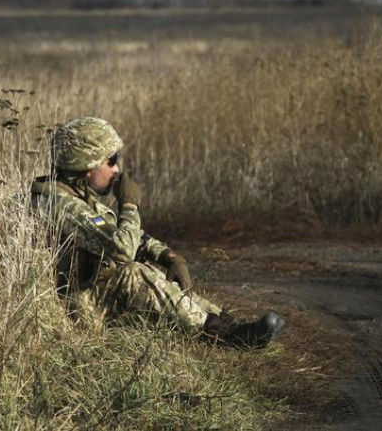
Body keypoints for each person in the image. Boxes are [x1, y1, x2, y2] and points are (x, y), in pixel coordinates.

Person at [29, 116, 286, 348]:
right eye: (111, 161)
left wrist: (167, 256)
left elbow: (119, 233)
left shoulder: (77, 196)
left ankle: (224, 322)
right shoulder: (59, 205)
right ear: (88, 167)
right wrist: (129, 206)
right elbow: (121, 250)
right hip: (72, 309)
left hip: (86, 295)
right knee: (133, 273)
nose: (117, 169)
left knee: (148, 268)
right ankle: (221, 335)